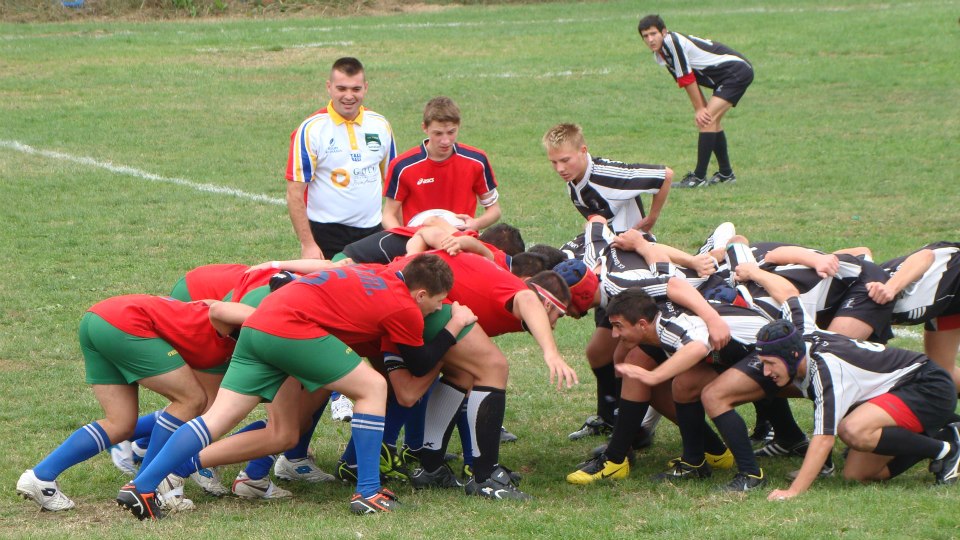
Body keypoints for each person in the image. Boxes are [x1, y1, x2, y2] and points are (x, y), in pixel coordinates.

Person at [115, 255, 471, 519]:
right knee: (373, 387)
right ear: (420, 294)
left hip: (258, 322)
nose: (438, 308)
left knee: (229, 421)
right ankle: (368, 492)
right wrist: (454, 326)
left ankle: (143, 486)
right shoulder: (405, 307)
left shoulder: (375, 271)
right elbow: (420, 364)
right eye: (438, 301)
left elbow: (330, 276)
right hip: (292, 328)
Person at [16, 295, 248, 512]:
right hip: (125, 321)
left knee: (120, 424)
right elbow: (217, 308)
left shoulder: (235, 327)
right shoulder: (244, 318)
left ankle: (40, 476)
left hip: (98, 319)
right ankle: (146, 487)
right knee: (191, 399)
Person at [756, 318, 960, 499]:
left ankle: (947, 451)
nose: (766, 371)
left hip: (928, 386)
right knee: (856, 475)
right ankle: (945, 434)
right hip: (897, 391)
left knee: (853, 429)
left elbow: (824, 438)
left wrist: (794, 491)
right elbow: (792, 299)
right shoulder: (801, 339)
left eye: (771, 363)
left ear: (793, 355)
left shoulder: (825, 371)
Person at [286, 56, 396, 259]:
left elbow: (394, 186)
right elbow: (294, 193)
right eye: (341, 88)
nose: (349, 96)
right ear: (329, 87)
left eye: (356, 89)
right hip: (327, 233)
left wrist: (398, 231)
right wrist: (308, 244)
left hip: (373, 232)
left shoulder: (380, 125)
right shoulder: (311, 129)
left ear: (365, 88)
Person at [637, 14, 754, 188]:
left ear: (664, 32)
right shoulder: (661, 54)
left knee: (707, 121)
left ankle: (698, 178)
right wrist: (701, 107)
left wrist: (700, 109)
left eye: (653, 34)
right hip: (727, 76)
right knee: (711, 120)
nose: (650, 39)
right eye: (645, 36)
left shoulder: (671, 42)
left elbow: (687, 77)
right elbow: (687, 80)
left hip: (736, 72)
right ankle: (726, 174)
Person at [383, 96, 501, 232]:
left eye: (451, 132)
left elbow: (494, 209)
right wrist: (405, 237)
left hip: (461, 240)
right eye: (438, 133)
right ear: (425, 128)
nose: (445, 141)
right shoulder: (402, 166)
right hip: (419, 240)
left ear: (459, 126)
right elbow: (388, 215)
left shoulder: (477, 161)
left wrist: (476, 224)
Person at [542, 123, 672, 235]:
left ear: (583, 151)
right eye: (554, 162)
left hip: (631, 247)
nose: (559, 169)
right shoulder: (574, 178)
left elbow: (665, 175)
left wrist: (652, 218)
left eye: (565, 160)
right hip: (607, 243)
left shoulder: (610, 174)